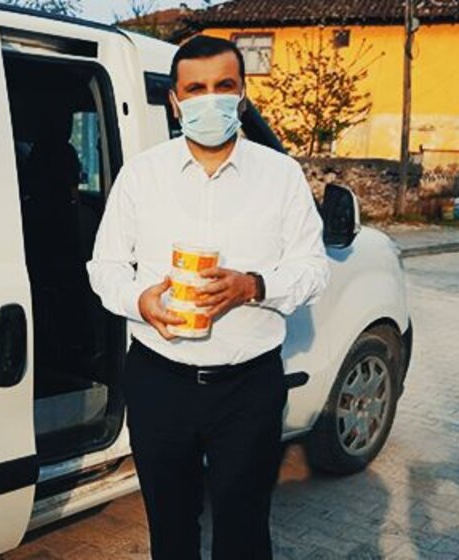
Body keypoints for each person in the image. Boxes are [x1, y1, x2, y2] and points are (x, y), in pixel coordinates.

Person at [86, 36, 330, 559]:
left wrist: (253, 286)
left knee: (244, 530)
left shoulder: (281, 176)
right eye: (195, 89)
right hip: (159, 380)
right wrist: (138, 301)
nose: (210, 99)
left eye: (224, 86)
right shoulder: (142, 176)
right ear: (175, 102)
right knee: (170, 529)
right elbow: (104, 267)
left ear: (242, 96)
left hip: (248, 388)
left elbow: (313, 269)